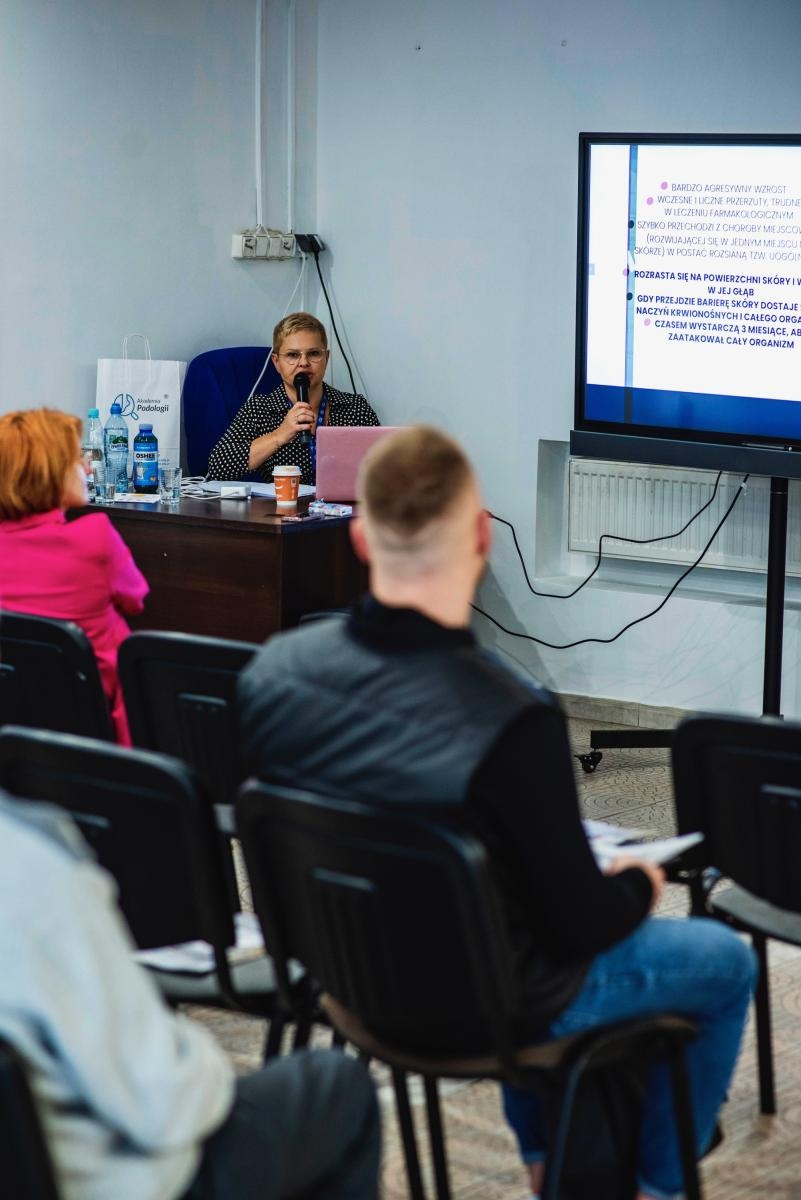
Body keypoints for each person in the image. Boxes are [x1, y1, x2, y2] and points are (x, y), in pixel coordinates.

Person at [237, 425, 756, 1200]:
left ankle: (554, 1159)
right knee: (723, 961)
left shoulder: (274, 672)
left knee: (494, 907)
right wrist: (638, 883)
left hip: (348, 985)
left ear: (359, 539)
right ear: (480, 536)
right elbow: (578, 928)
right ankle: (656, 1185)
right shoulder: (512, 717)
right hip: (487, 1004)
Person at [0, 788, 380, 1200]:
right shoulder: (31, 868)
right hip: (102, 1182)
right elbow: (162, 1105)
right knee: (339, 1086)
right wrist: (202, 1058)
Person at [0, 408, 148, 745]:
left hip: (16, 719)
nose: (88, 466)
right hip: (96, 723)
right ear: (47, 473)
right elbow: (136, 599)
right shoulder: (94, 536)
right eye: (76, 458)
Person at [206, 312, 379, 485]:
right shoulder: (260, 408)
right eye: (292, 355)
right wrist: (279, 435)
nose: (303, 363)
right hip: (284, 507)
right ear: (276, 362)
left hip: (344, 508)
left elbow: (387, 465)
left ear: (326, 358)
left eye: (313, 353)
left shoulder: (355, 406)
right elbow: (218, 466)